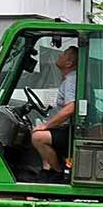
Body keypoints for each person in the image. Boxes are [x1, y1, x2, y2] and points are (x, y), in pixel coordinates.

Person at [30, 46, 78, 174]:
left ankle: (58, 173)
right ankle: (47, 169)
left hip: (72, 131)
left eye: (64, 54)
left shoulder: (72, 80)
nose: (59, 56)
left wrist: (46, 126)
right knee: (39, 129)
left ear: (69, 63)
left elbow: (71, 108)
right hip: (71, 129)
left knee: (38, 137)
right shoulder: (71, 79)